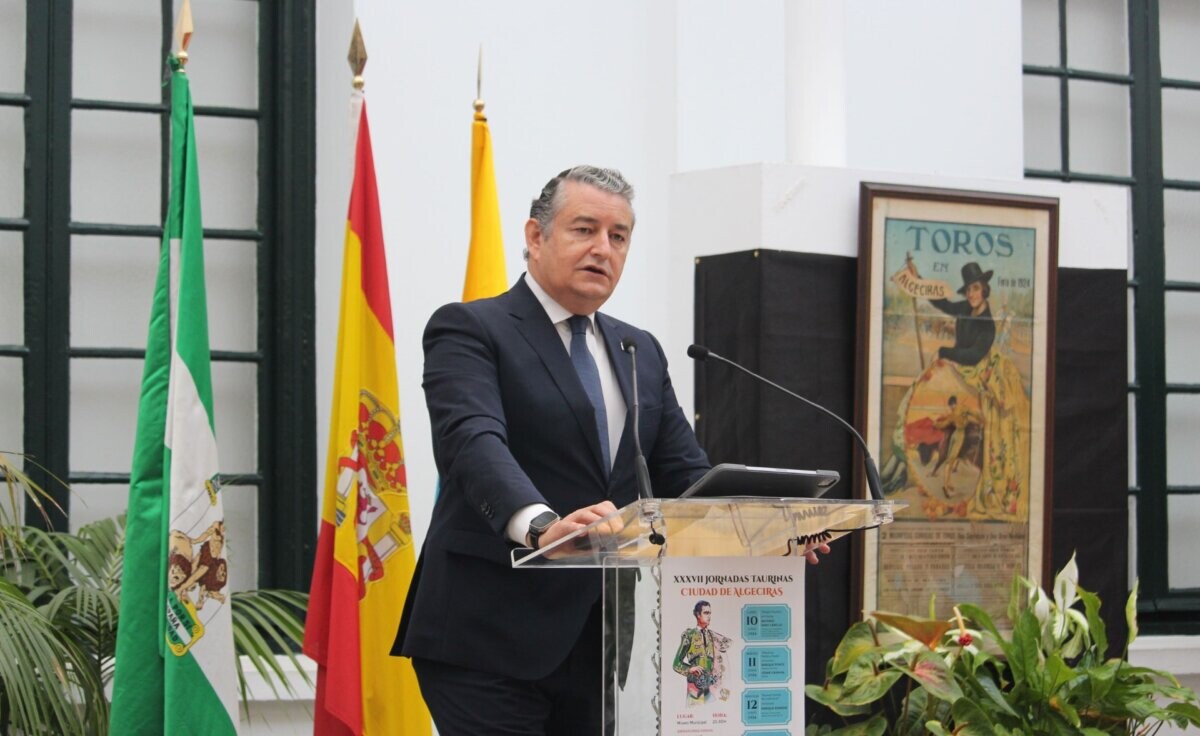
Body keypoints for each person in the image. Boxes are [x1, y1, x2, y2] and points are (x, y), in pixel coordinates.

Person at [392, 166, 714, 735]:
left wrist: (776, 535)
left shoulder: (639, 350)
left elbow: (686, 474)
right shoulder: (471, 328)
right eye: (584, 229)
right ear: (535, 237)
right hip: (484, 637)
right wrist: (541, 525)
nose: (603, 249)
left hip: (598, 642)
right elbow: (473, 440)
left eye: (618, 237)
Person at [672, 600, 731, 705]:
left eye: (710, 613)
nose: (709, 616)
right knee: (697, 713)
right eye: (706, 613)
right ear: (698, 615)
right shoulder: (689, 635)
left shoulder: (713, 636)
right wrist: (690, 669)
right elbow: (676, 664)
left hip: (711, 687)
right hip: (695, 687)